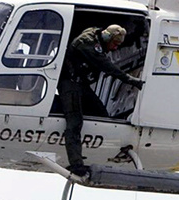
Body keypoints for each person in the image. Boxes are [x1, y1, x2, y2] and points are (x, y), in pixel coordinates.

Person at [58, 24, 143, 177]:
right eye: (115, 44)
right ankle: (76, 165)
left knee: (102, 114)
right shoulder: (87, 44)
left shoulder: (99, 37)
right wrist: (131, 80)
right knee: (74, 123)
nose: (115, 48)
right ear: (108, 38)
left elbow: (117, 42)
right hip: (69, 85)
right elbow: (108, 66)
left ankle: (100, 156)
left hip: (81, 84)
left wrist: (137, 34)